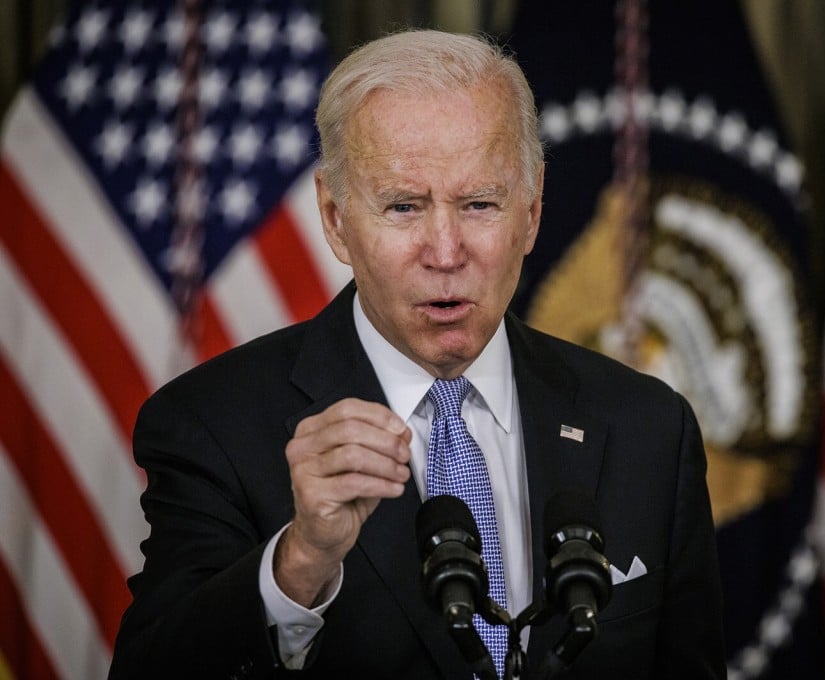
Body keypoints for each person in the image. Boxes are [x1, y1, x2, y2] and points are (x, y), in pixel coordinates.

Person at [109, 29, 725, 680]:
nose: (445, 250)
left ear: (534, 209)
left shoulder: (649, 429)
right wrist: (300, 561)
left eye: (479, 203)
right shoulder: (214, 426)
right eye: (404, 206)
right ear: (335, 217)